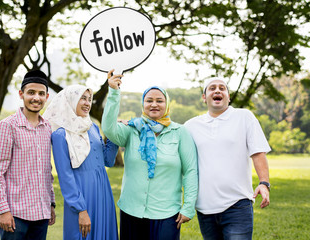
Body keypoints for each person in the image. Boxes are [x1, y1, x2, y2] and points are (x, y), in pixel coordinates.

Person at [101, 70, 198, 240]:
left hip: (167, 213)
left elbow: (190, 170)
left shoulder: (180, 132)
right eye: (149, 100)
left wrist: (188, 206)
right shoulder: (131, 129)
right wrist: (114, 92)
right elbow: (109, 129)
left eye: (159, 101)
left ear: (167, 104)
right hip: (131, 210)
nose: (154, 104)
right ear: (143, 104)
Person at [184, 77, 271, 240]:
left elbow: (258, 152)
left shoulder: (244, 117)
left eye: (222, 88)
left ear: (228, 96)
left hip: (237, 205)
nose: (217, 90)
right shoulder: (190, 126)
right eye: (212, 88)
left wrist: (264, 183)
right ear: (204, 97)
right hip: (204, 208)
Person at [43, 85, 119, 240]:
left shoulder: (93, 128)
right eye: (82, 98)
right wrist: (81, 209)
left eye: (89, 99)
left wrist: (114, 133)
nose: (87, 103)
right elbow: (65, 176)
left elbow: (108, 161)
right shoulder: (60, 135)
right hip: (81, 195)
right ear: (70, 100)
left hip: (103, 192)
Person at [0, 70, 56, 240]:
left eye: (41, 94)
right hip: (16, 215)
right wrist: (3, 211)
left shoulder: (47, 127)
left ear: (46, 97)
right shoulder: (8, 126)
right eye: (31, 92)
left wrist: (51, 204)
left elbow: (46, 169)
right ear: (21, 94)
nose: (36, 98)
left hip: (41, 214)